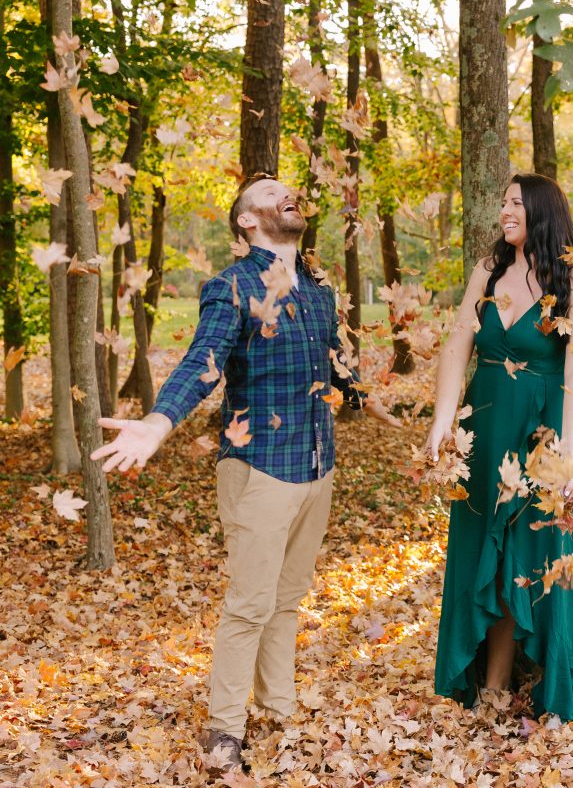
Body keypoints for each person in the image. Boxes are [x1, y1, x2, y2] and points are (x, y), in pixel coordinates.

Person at [91, 176, 400, 770]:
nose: (288, 193)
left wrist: (361, 396)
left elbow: (330, 362)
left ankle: (277, 708)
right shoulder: (229, 286)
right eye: (269, 192)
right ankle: (225, 729)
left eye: (289, 189)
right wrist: (157, 424)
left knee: (288, 600)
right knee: (250, 605)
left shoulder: (316, 286)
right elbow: (201, 363)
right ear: (246, 222)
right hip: (259, 470)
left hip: (317, 465)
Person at [426, 173, 573, 723]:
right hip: (487, 426)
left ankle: (551, 682)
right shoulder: (489, 270)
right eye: (502, 202)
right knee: (488, 551)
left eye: (516, 204)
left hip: (544, 431)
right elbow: (458, 344)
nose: (504, 211)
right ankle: (493, 681)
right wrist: (444, 418)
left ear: (543, 211)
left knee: (539, 551)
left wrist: (569, 447)